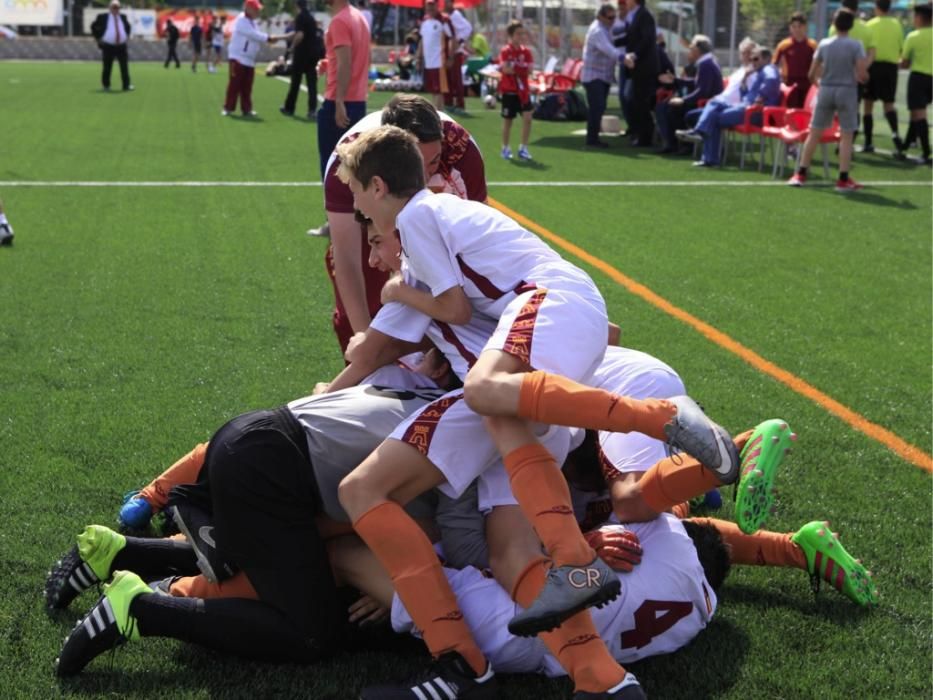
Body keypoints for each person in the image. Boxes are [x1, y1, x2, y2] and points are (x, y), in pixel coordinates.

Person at [331, 125, 741, 698]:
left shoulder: (422, 219)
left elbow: (440, 308)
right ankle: (601, 678)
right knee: (509, 553)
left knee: (380, 475)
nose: (369, 243)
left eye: (368, 223)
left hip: (528, 355)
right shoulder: (423, 267)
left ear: (379, 188)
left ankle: (464, 666)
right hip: (526, 403)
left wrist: (396, 297)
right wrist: (340, 376)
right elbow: (374, 350)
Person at [319, 94, 487, 354]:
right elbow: (348, 259)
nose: (425, 176)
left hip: (436, 233)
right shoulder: (349, 163)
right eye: (416, 164)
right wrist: (365, 343)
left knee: (443, 313)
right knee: (357, 321)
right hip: (373, 228)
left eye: (433, 162)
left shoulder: (461, 152)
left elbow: (475, 246)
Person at [787, 9, 869, 192]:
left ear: (834, 23)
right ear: (851, 25)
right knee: (846, 136)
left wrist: (821, 85)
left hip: (826, 90)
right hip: (847, 91)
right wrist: (864, 77)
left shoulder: (824, 44)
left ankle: (800, 174)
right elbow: (862, 74)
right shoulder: (856, 45)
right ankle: (843, 179)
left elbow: (811, 74)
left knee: (814, 133)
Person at [677, 46, 781, 167]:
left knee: (713, 117)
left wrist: (761, 97)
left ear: (767, 59)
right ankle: (704, 143)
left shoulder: (769, 68)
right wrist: (744, 79)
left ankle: (708, 154)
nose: (752, 61)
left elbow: (772, 80)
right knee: (714, 106)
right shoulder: (758, 73)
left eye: (756, 59)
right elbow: (746, 96)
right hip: (745, 108)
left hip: (755, 112)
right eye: (751, 59)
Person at [316, 0, 371, 179]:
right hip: (357, 101)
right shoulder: (359, 17)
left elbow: (345, 63)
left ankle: (337, 208)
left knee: (333, 170)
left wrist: (339, 100)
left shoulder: (340, 21)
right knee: (355, 170)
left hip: (340, 103)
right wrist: (327, 63)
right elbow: (356, 58)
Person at [654, 34, 722, 153]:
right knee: (664, 106)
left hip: (705, 103)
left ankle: (680, 144)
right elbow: (697, 84)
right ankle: (675, 143)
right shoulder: (707, 62)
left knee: (667, 108)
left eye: (691, 48)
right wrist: (676, 80)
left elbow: (702, 91)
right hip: (704, 101)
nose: (689, 50)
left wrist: (683, 100)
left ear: (697, 49)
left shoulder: (706, 64)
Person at [223, 0, 291, 117]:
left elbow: (257, 36)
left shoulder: (252, 22)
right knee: (234, 85)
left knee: (247, 86)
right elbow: (254, 35)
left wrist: (269, 38)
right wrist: (269, 38)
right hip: (238, 57)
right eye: (255, 8)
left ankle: (247, 109)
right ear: (248, 8)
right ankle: (228, 108)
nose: (258, 11)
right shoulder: (241, 20)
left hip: (249, 59)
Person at [861, 0, 904, 153]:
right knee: (889, 104)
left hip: (874, 66)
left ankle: (868, 142)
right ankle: (895, 134)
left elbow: (866, 48)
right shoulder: (897, 24)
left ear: (876, 7)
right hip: (891, 68)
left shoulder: (870, 24)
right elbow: (900, 47)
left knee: (868, 104)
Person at [581, 3, 623, 149]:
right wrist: (624, 58)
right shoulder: (598, 30)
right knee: (596, 107)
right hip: (594, 76)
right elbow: (609, 49)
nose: (613, 20)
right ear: (600, 16)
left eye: (614, 16)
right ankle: (592, 140)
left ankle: (593, 137)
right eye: (610, 17)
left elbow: (618, 33)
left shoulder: (606, 27)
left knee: (599, 107)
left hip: (602, 75)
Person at [895, 3, 932, 164]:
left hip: (918, 78)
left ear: (918, 18)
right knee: (916, 114)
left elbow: (904, 63)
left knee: (919, 114)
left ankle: (926, 153)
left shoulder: (914, 36)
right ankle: (904, 147)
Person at [620, 0, 658, 147]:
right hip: (637, 68)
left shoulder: (644, 15)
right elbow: (631, 38)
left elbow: (647, 39)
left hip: (645, 67)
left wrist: (634, 55)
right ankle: (640, 134)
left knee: (641, 102)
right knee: (635, 101)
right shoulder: (635, 15)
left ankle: (645, 138)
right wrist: (613, 41)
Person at [497, 19, 534, 160]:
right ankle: (505, 148)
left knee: (528, 118)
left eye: (523, 33)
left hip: (523, 91)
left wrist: (517, 69)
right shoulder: (506, 51)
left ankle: (523, 148)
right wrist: (521, 69)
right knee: (508, 121)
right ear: (511, 35)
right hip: (510, 91)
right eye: (518, 33)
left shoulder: (527, 52)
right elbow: (506, 68)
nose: (521, 36)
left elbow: (530, 70)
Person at [281, 0, 321, 119]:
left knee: (295, 82)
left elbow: (300, 35)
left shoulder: (300, 17)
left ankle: (289, 107)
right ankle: (312, 110)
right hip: (313, 54)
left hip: (302, 54)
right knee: (312, 84)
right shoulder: (310, 17)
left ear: (296, 5)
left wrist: (291, 48)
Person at [773, 12, 817, 108]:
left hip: (808, 86)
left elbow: (819, 66)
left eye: (799, 26)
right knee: (790, 115)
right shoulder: (783, 45)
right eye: (794, 26)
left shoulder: (812, 45)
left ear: (805, 27)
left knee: (806, 115)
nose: (797, 29)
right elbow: (773, 66)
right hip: (789, 86)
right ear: (790, 28)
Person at [91, 0, 133, 92]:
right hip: (108, 46)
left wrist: (126, 36)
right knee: (107, 67)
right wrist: (98, 38)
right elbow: (93, 27)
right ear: (110, 8)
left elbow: (128, 27)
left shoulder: (123, 17)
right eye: (114, 7)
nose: (116, 9)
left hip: (121, 46)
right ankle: (106, 86)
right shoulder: (103, 17)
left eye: (117, 7)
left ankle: (126, 85)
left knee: (124, 66)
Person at [418, 0, 452, 110]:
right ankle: (438, 115)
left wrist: (450, 57)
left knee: (439, 91)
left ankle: (437, 115)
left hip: (439, 61)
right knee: (433, 91)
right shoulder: (424, 21)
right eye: (428, 6)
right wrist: (418, 57)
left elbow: (452, 38)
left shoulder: (443, 20)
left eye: (432, 5)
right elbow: (422, 40)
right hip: (428, 62)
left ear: (437, 5)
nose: (430, 8)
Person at [445, 0, 471, 113]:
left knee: (456, 79)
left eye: (448, 2)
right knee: (448, 79)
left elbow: (468, 28)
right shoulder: (445, 16)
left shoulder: (455, 15)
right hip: (446, 51)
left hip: (455, 51)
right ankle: (449, 103)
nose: (446, 4)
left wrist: (460, 41)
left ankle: (460, 104)